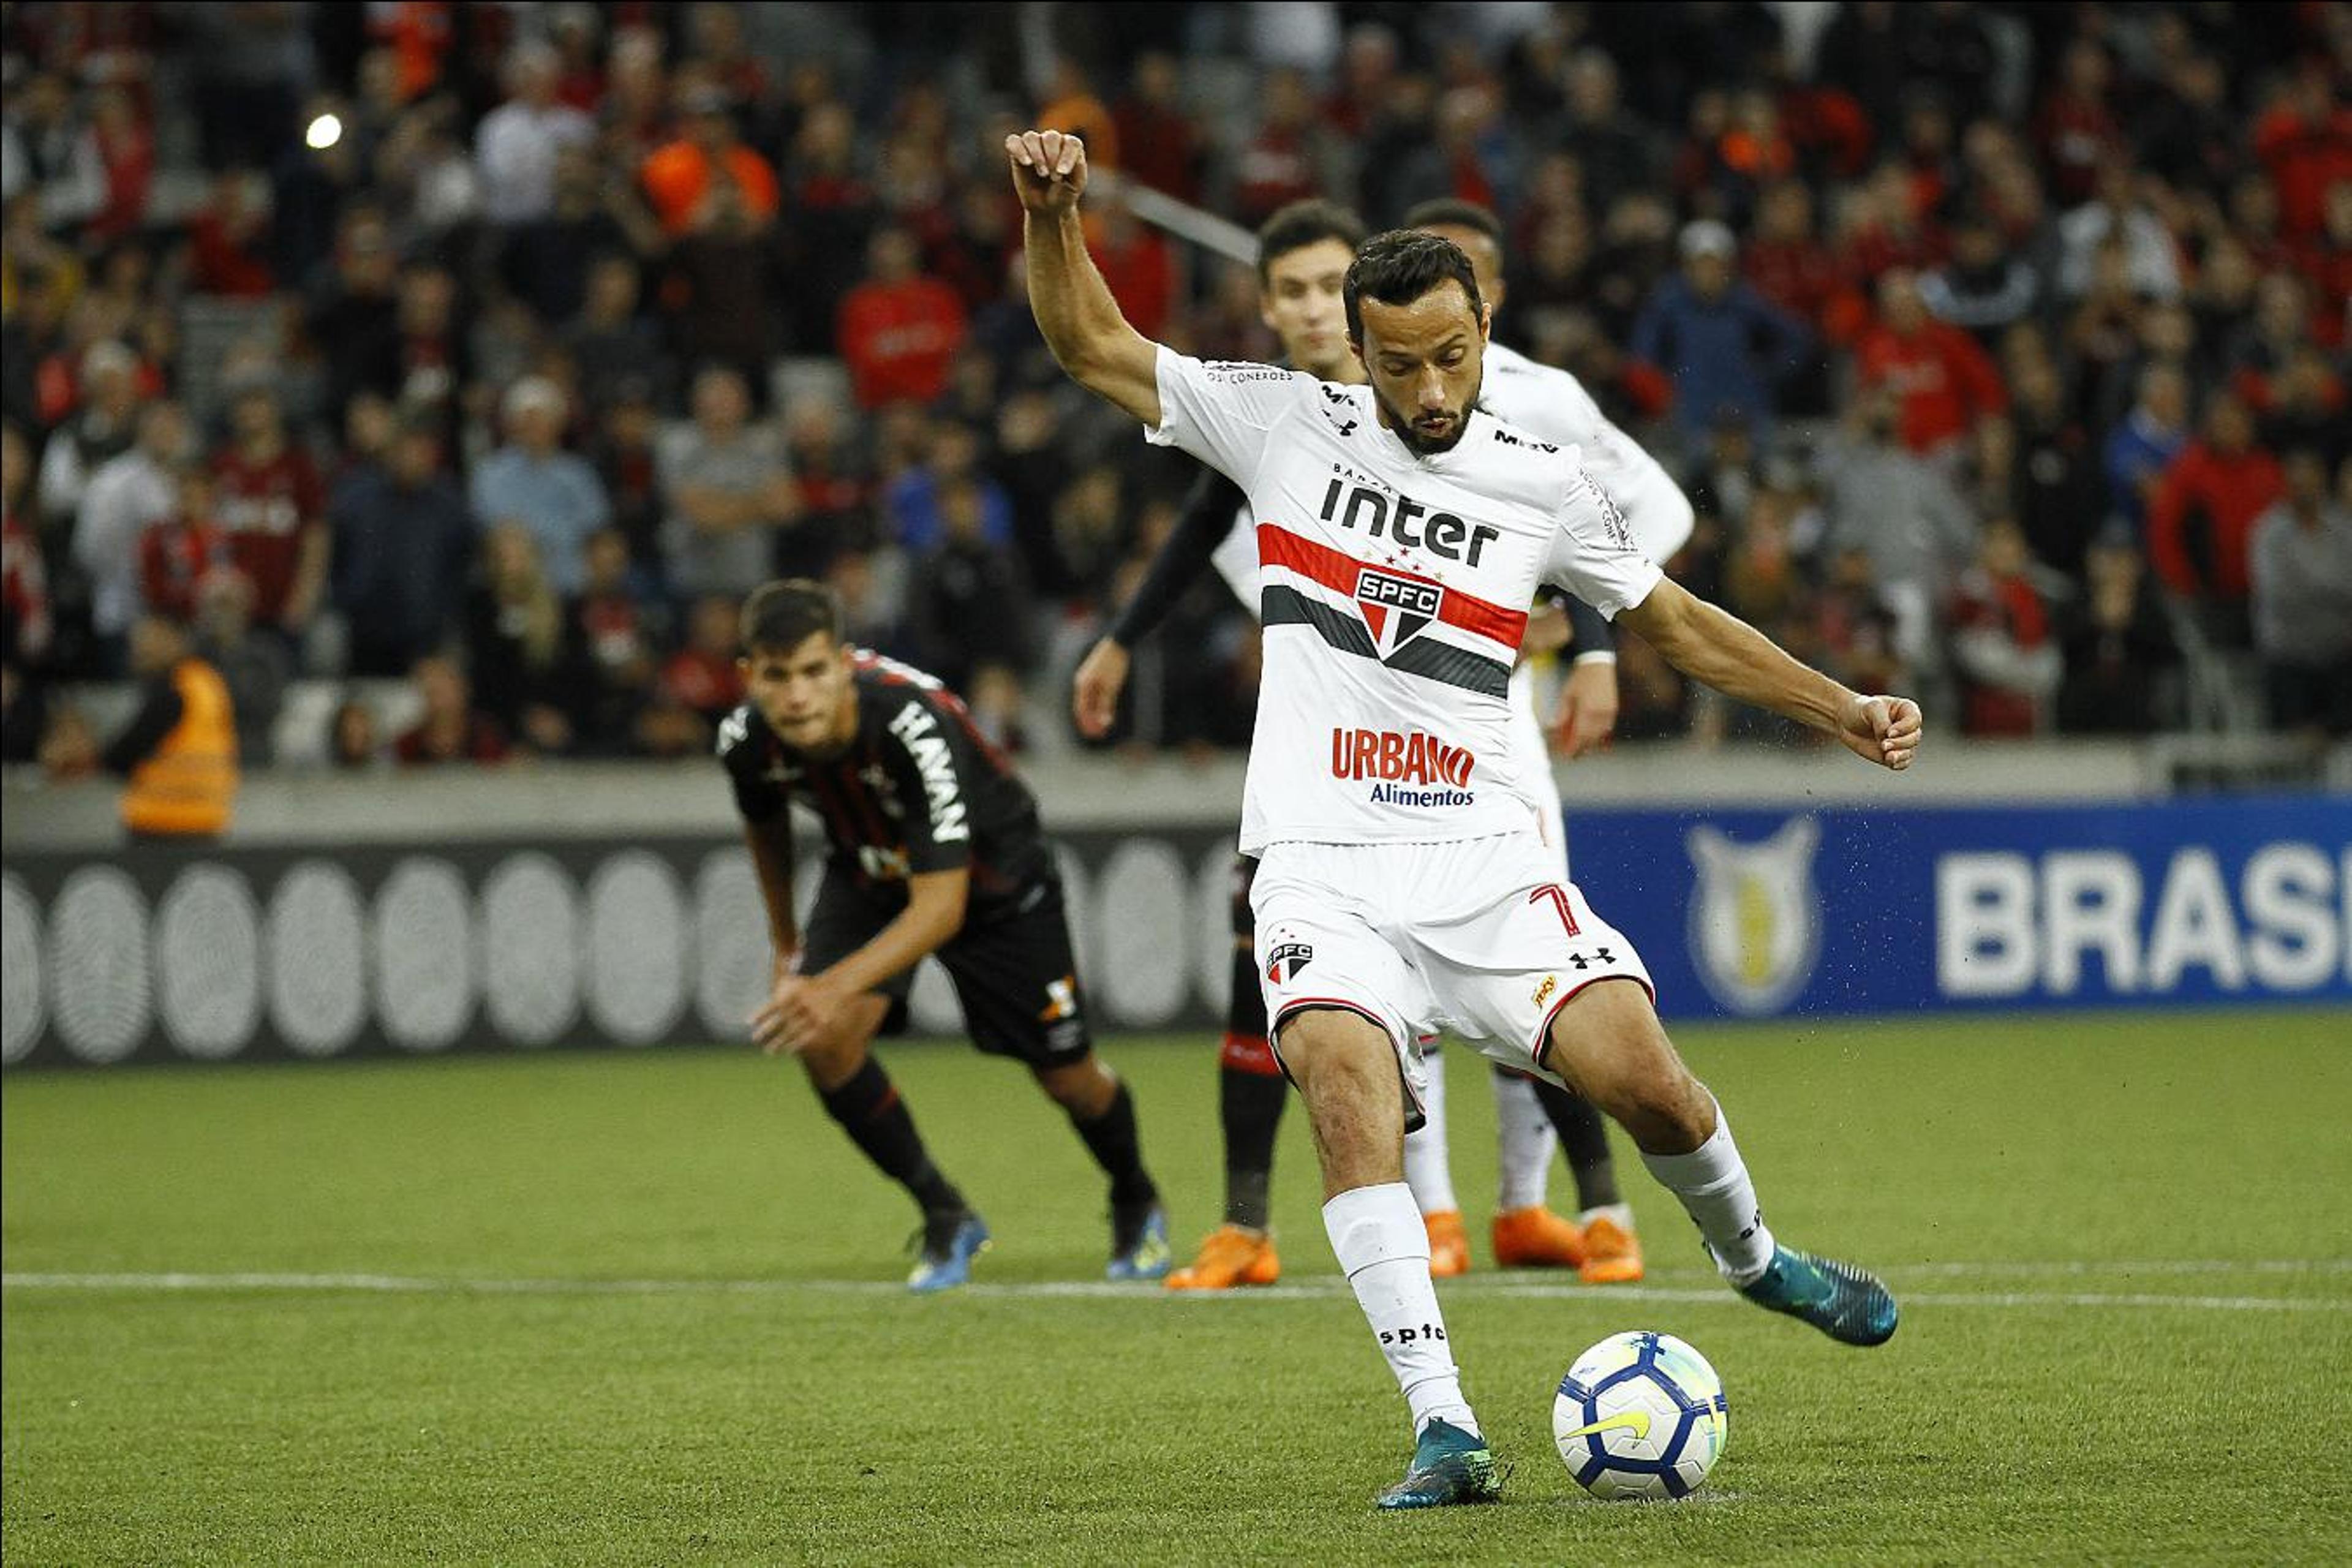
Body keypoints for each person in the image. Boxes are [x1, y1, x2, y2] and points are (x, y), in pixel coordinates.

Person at [1012, 129, 1913, 1509]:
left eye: (1453, 355)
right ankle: (1445, 1423)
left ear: (1488, 324)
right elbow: (1092, 345)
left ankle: (1758, 1262)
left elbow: (1676, 623)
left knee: (1651, 1084)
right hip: (1319, 861)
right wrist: (1053, 216)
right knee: (1348, 1092)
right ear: (1358, 352)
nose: (1430, 388)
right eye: (1399, 362)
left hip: (1484, 859)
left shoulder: (1541, 481)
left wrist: (1838, 705)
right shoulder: (1280, 423)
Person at [723, 578, 1171, 1293]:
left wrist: (826, 983)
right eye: (777, 677)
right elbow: (766, 828)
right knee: (823, 1037)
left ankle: (1136, 1195)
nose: (798, 695)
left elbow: (942, 907)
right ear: (750, 677)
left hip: (996, 887)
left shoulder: (909, 721)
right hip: (870, 873)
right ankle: (945, 1212)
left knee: (1068, 1077)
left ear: (844, 662)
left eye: (813, 671)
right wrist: (788, 948)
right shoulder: (745, 739)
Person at [42, 613, 237, 840]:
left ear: (175, 639)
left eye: (149, 638)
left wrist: (84, 760)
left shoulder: (173, 690)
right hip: (209, 818)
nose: (140, 648)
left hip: (160, 821)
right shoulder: (208, 682)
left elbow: (124, 755)